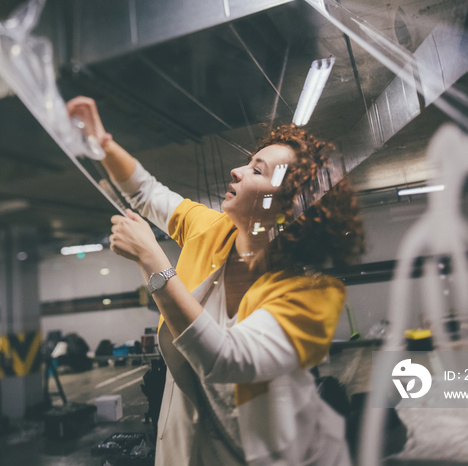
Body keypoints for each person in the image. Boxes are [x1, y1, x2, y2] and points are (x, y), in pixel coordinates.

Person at [67, 96, 364, 465]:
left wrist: (152, 261)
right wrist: (102, 143)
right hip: (186, 447)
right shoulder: (211, 230)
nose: (237, 171)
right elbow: (145, 192)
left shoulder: (311, 296)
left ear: (286, 207)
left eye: (257, 171)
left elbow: (226, 358)